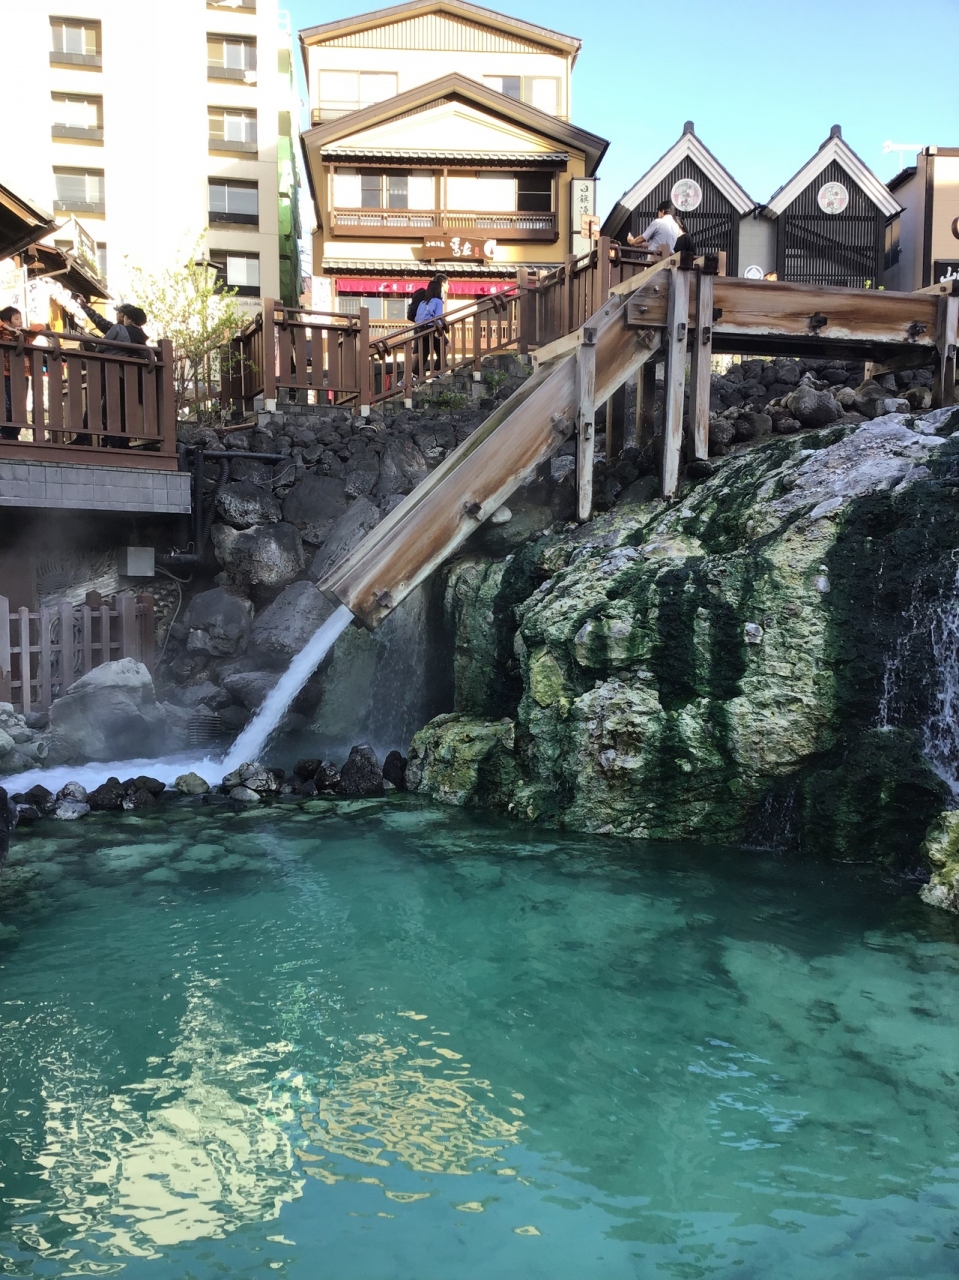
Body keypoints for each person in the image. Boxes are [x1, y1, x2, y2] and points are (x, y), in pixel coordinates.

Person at [72, 297, 150, 446]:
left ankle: (88, 437)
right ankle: (118, 440)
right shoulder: (141, 338)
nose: (117, 315)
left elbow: (100, 344)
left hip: (107, 370)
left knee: (97, 404)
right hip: (128, 377)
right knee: (118, 408)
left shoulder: (117, 329)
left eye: (119, 312)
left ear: (125, 316)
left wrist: (84, 306)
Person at [414, 274, 448, 375]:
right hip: (432, 329)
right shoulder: (438, 302)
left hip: (421, 329)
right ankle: (438, 370)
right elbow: (438, 317)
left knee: (424, 353)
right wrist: (439, 330)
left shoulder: (423, 302)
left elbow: (417, 318)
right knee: (446, 346)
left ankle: (415, 374)